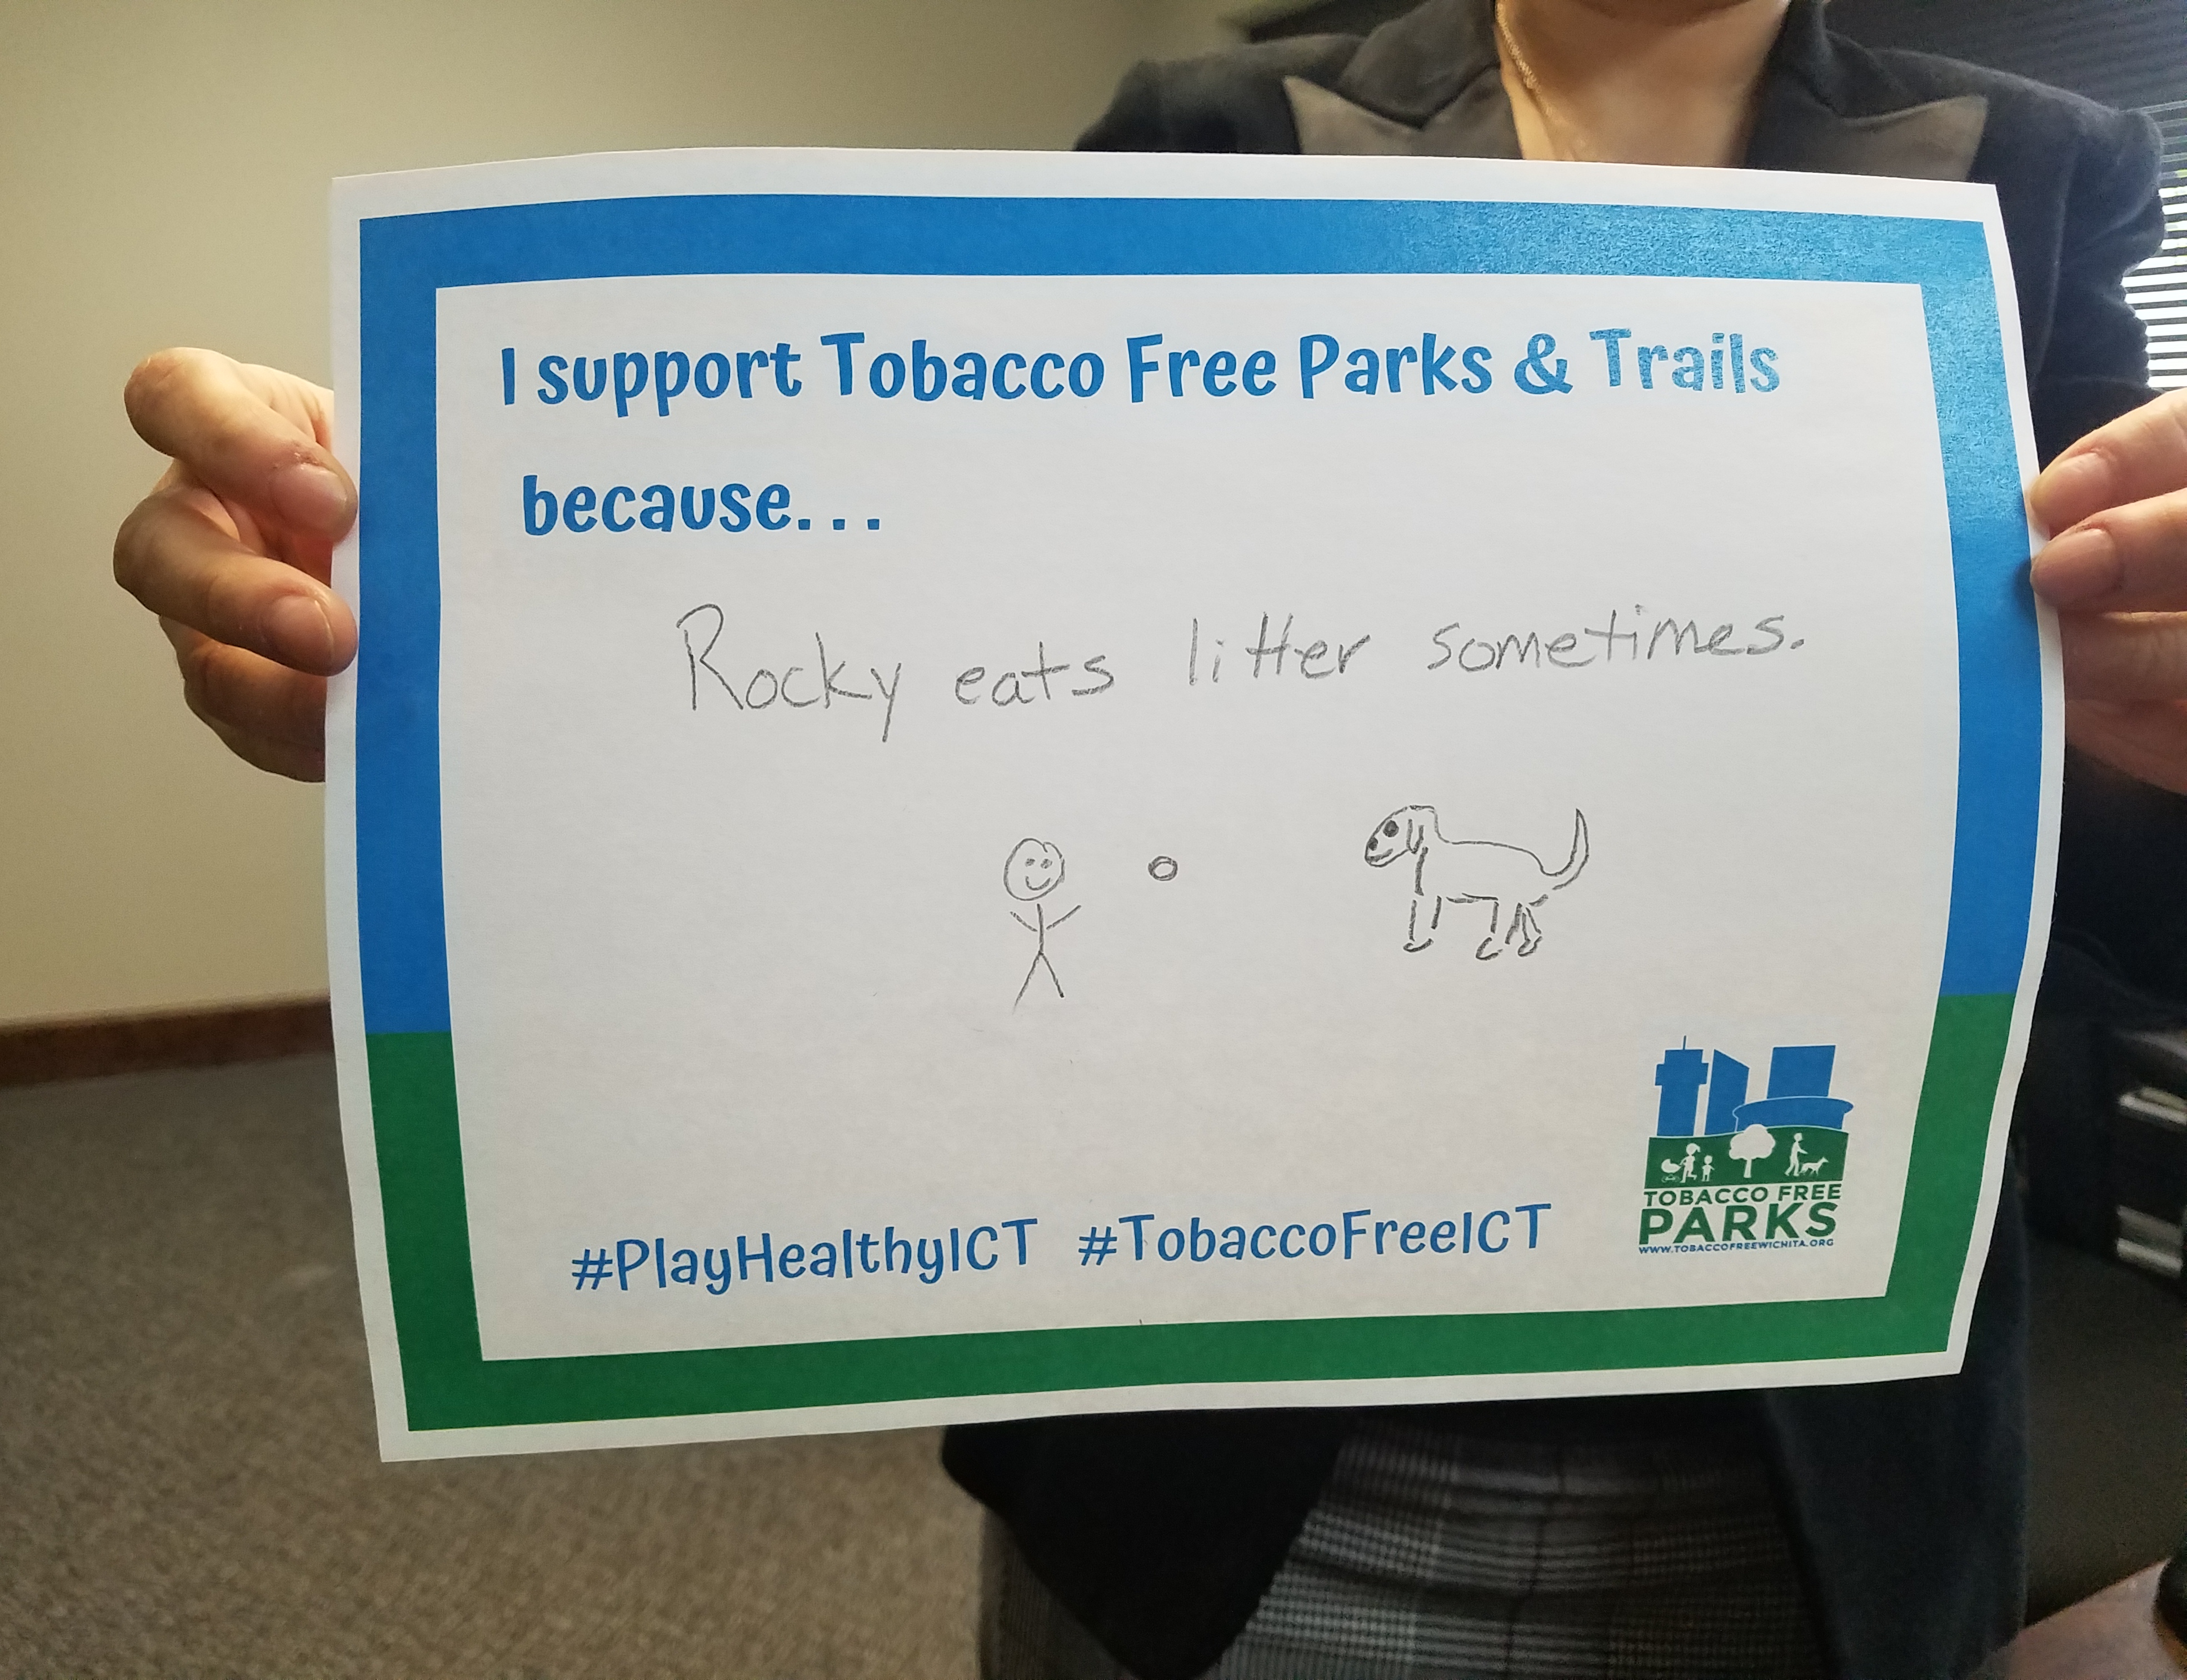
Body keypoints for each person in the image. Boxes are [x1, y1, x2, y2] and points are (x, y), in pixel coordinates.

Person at [113, 0, 2187, 1673]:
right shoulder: (1221, 125)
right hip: (1229, 1475)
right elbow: (986, 669)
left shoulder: (2037, 168)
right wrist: (460, 688)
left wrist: (2161, 752)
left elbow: (2098, 892)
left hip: (1798, 1450)